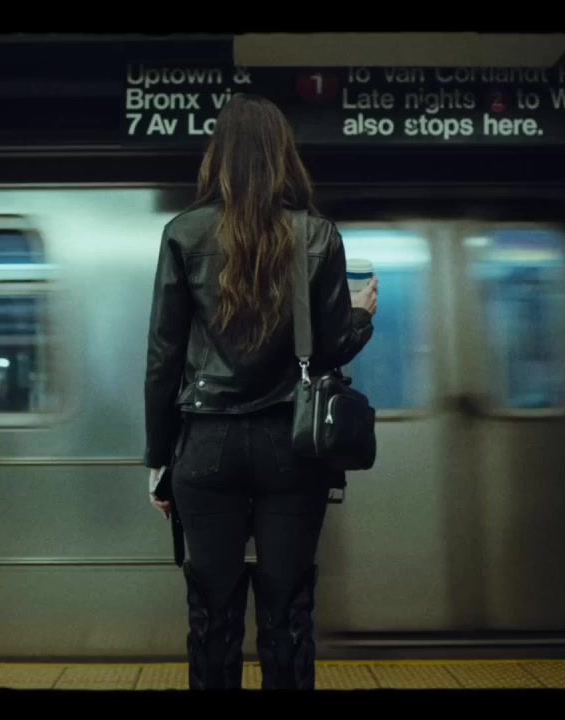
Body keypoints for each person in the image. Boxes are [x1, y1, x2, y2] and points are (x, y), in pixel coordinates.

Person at [143, 93, 378, 690]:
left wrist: (158, 461)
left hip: (205, 445)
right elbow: (330, 350)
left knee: (212, 613)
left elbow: (164, 358)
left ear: (218, 156)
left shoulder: (182, 233)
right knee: (287, 610)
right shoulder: (317, 234)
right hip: (290, 446)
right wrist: (359, 315)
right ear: (282, 155)